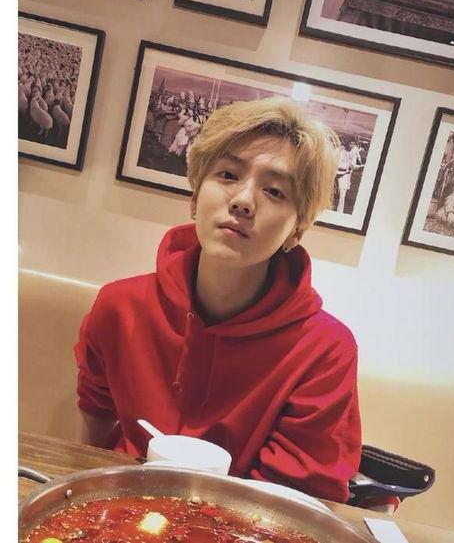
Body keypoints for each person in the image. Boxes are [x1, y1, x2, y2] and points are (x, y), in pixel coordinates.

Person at [74, 97, 362, 503]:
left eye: (275, 191)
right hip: (120, 506)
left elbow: (290, 501)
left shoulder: (324, 351)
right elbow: (96, 428)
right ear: (195, 197)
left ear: (297, 228)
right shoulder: (120, 307)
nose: (243, 200)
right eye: (228, 174)